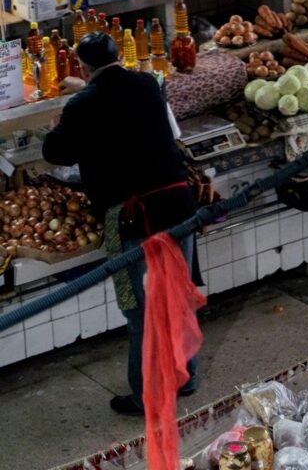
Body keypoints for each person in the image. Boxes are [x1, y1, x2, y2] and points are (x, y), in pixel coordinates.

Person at [42, 32, 198, 416]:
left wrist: (60, 120)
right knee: (178, 296)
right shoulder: (146, 83)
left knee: (141, 311)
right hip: (178, 205)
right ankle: (187, 377)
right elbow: (118, 96)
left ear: (83, 67)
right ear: (118, 56)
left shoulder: (83, 104)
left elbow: (54, 151)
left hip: (136, 218)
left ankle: (147, 394)